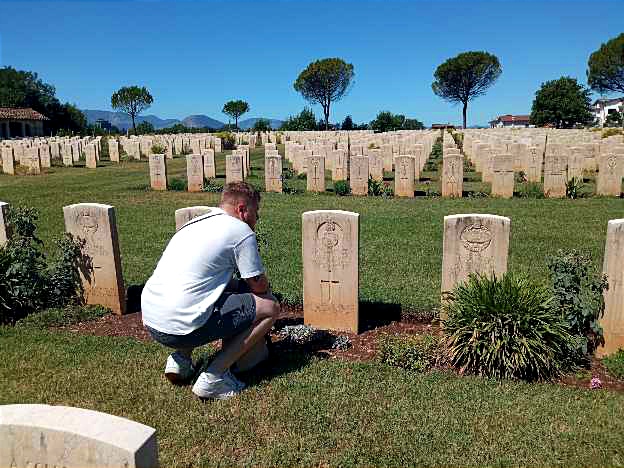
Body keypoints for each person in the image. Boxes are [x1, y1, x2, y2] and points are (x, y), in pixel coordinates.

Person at [141, 182, 280, 400]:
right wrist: (263, 290)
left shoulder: (196, 223)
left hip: (152, 320)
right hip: (181, 327)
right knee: (269, 307)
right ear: (242, 209)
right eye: (256, 211)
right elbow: (258, 285)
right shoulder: (241, 230)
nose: (257, 217)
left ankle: (180, 361)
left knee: (206, 293)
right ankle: (214, 377)